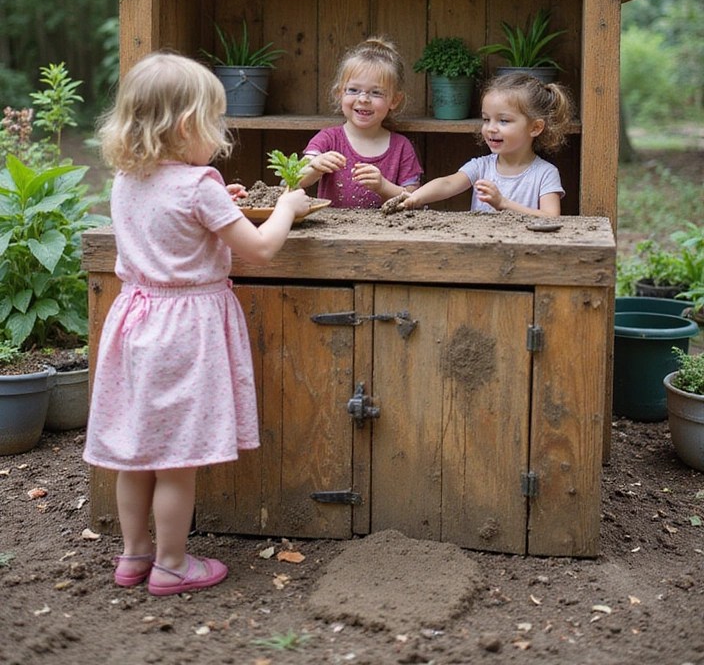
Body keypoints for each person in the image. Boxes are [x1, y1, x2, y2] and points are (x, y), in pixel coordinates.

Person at [83, 51, 309, 596]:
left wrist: (217, 206)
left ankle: (134, 556)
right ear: (187, 126)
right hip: (184, 331)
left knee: (137, 455)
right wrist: (287, 207)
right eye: (215, 123)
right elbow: (260, 249)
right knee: (176, 461)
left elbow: (169, 224)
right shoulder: (197, 185)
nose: (220, 137)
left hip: (135, 324)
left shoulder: (127, 179)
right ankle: (171, 565)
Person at [385, 72, 573, 218]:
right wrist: (416, 197)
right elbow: (448, 183)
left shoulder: (545, 173)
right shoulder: (481, 166)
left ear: (535, 127)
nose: (491, 128)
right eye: (486, 119)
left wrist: (503, 204)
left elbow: (551, 217)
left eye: (504, 121)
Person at [300, 36, 422, 208]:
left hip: (386, 225)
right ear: (339, 93)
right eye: (353, 90)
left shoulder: (401, 147)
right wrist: (315, 167)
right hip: (332, 225)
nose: (363, 99)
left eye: (376, 92)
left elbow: (414, 198)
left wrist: (383, 186)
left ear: (394, 100)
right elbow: (294, 180)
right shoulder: (327, 139)